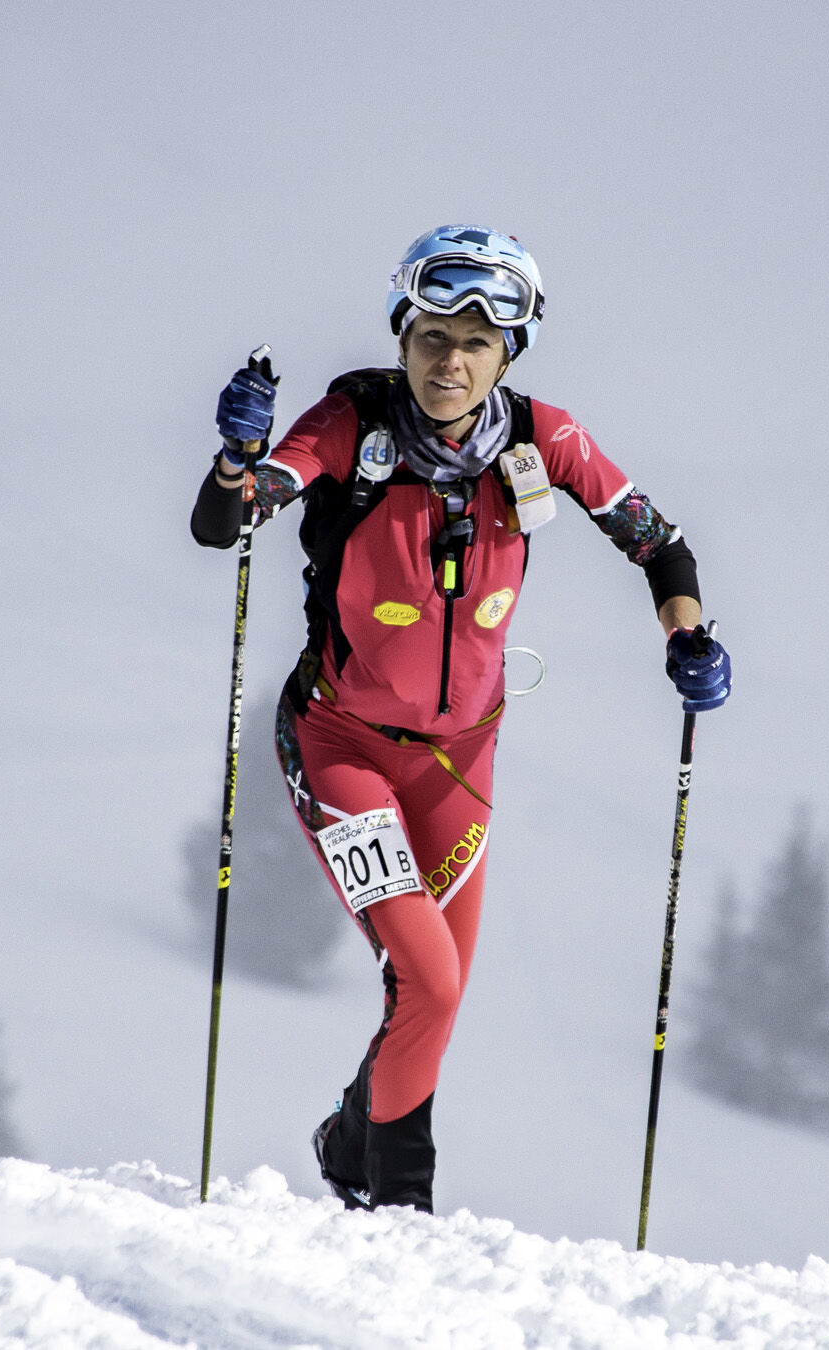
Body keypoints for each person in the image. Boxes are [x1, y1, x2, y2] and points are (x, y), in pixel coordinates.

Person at [187, 224, 730, 1213]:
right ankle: (400, 1211)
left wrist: (687, 637)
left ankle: (348, 1146)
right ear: (403, 333)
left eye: (478, 342)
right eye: (435, 334)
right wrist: (236, 458)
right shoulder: (351, 424)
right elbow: (229, 520)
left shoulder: (543, 439)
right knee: (428, 986)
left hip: (460, 763)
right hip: (339, 745)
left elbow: (661, 543)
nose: (452, 360)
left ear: (508, 355)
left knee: (433, 999)